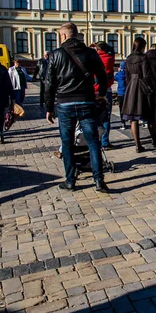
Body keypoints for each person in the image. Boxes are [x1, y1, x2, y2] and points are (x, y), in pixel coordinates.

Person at [44, 22, 109, 193]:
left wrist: (49, 107)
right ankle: (99, 181)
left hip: (64, 104)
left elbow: (49, 83)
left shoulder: (55, 54)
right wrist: (101, 93)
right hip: (86, 102)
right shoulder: (90, 53)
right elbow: (102, 75)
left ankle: (70, 181)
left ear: (64, 36)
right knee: (93, 142)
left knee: (67, 143)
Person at [122, 38, 156, 152]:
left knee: (133, 118)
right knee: (149, 115)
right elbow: (146, 75)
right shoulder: (144, 58)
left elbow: (127, 76)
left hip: (131, 88)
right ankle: (154, 139)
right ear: (143, 46)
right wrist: (150, 87)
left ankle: (137, 144)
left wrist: (129, 86)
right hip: (142, 87)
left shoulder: (128, 58)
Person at [93, 41, 115, 150]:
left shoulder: (92, 59)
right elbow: (112, 51)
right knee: (106, 117)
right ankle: (105, 142)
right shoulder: (110, 58)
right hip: (106, 90)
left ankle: (94, 140)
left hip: (94, 90)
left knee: (93, 117)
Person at [114, 61, 127, 130]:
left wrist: (119, 71)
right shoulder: (128, 74)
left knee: (121, 108)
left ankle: (123, 123)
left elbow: (114, 78)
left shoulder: (118, 75)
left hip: (120, 93)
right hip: (127, 94)